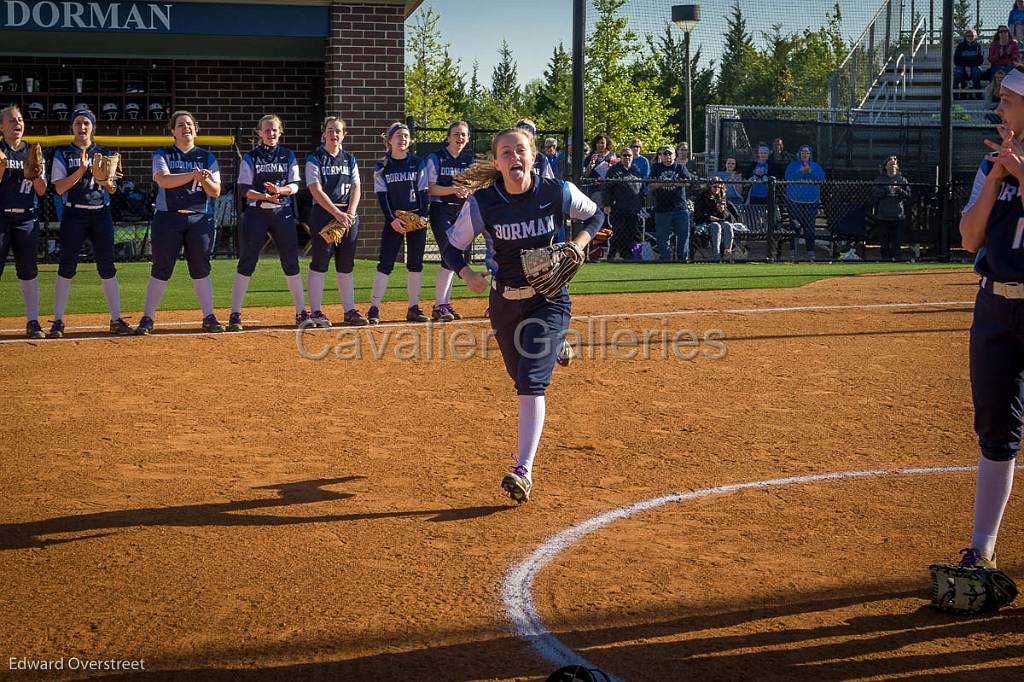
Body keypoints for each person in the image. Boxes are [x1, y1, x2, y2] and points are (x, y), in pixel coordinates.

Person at [441, 127, 603, 503]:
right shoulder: (485, 203)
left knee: (530, 383)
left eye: (521, 150)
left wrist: (576, 246)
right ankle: (556, 345)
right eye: (506, 152)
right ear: (497, 162)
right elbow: (452, 248)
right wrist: (466, 274)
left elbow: (595, 217)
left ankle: (523, 469)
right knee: (519, 376)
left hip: (549, 299)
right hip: (503, 301)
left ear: (533, 157)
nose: (514, 157)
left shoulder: (554, 191)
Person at [949, 64, 1024, 572]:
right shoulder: (989, 166)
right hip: (995, 307)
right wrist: (999, 174)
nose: (998, 109)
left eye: (1008, 102)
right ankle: (983, 548)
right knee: (996, 428)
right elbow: (969, 239)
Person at [135, 110, 223, 335]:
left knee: (201, 267)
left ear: (196, 129)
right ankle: (148, 317)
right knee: (162, 267)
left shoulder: (207, 157)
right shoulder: (163, 153)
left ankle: (208, 316)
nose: (186, 128)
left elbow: (215, 191)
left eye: (190, 124)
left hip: (199, 218)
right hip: (168, 217)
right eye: (181, 125)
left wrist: (203, 180)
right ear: (173, 131)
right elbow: (163, 180)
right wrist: (193, 176)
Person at [48, 108, 130, 337]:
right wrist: (81, 171)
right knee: (66, 267)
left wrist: (105, 180)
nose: (82, 128)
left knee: (107, 267)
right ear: (72, 127)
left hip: (100, 214)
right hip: (73, 214)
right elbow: (59, 188)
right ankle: (58, 321)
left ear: (93, 126)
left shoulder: (103, 152)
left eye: (86, 123)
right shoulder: (63, 153)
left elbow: (112, 190)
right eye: (78, 123)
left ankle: (116, 319)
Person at [229, 114, 306, 331]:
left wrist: (280, 191)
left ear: (280, 132)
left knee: (291, 261)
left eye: (274, 130)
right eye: (266, 130)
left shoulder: (288, 155)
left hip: (282, 213)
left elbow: (295, 185)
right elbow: (244, 189)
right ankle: (235, 313)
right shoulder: (251, 157)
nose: (271, 134)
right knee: (247, 262)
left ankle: (301, 311)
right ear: (259, 133)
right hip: (256, 214)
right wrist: (264, 196)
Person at [305, 115, 365, 328]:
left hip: (348, 216)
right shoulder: (315, 158)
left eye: (338, 131)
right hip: (324, 214)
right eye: (330, 130)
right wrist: (336, 214)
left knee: (346, 264)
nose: (334, 134)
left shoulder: (350, 159)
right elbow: (315, 189)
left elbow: (356, 187)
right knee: (320, 263)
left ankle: (349, 310)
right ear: (323, 134)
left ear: (343, 135)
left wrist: (350, 212)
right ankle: (316, 311)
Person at [369, 121, 430, 325]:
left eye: (405, 136)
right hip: (394, 220)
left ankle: (413, 307)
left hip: (415, 219)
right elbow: (382, 196)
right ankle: (374, 307)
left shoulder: (417, 163)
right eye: (398, 136)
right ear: (389, 140)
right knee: (385, 263)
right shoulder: (382, 166)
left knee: (415, 264)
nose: (402, 139)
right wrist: (391, 220)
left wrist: (423, 215)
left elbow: (423, 190)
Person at [0, 105, 47, 338]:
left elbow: (41, 191)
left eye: (20, 119)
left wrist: (36, 173)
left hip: (26, 217)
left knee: (28, 270)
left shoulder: (32, 151)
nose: (17, 123)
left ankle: (33, 321)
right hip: (0, 216)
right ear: (1, 127)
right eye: (11, 120)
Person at [426, 120, 474, 322]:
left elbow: (474, 186)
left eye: (463, 134)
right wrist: (454, 190)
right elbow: (430, 188)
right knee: (449, 251)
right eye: (456, 134)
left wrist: (468, 190)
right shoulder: (436, 158)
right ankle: (440, 304)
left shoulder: (468, 160)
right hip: (441, 210)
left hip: (462, 212)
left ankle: (442, 304)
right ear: (448, 137)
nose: (460, 138)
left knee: (453, 257)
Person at [648, 145, 691, 262]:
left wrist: (675, 183)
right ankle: (665, 259)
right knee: (662, 237)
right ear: (661, 156)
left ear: (675, 155)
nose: (668, 156)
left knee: (683, 235)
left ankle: (682, 259)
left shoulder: (680, 168)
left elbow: (688, 183)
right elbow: (650, 185)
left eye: (670, 153)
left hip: (680, 208)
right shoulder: (656, 168)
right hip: (662, 208)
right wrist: (662, 184)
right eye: (665, 154)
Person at [783, 144, 826, 260]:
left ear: (810, 155)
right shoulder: (793, 166)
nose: (805, 155)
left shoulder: (815, 166)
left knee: (809, 227)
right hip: (794, 200)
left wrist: (810, 171)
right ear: (799, 154)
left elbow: (821, 178)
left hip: (811, 201)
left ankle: (810, 251)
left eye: (807, 153)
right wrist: (801, 171)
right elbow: (788, 177)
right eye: (802, 153)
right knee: (794, 226)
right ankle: (792, 251)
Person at [603, 146, 644, 260]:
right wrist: (607, 204)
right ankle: (611, 255)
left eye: (629, 156)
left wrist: (641, 205)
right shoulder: (614, 170)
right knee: (618, 232)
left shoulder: (636, 170)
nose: (627, 158)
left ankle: (626, 255)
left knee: (631, 232)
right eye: (624, 155)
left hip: (633, 207)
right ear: (620, 157)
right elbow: (607, 188)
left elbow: (640, 189)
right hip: (618, 207)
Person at [693, 179, 744, 262]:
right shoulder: (702, 196)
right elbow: (697, 214)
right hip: (704, 222)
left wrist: (722, 211)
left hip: (719, 221)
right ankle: (716, 255)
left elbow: (725, 217)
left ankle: (728, 252)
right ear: (710, 186)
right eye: (715, 187)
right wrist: (709, 217)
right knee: (716, 226)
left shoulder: (721, 196)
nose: (717, 189)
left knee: (727, 225)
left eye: (719, 187)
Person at [872, 155, 911, 261]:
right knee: (884, 238)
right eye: (891, 164)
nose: (893, 166)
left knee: (896, 238)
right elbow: (875, 192)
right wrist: (886, 190)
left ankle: (896, 256)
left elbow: (908, 194)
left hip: (897, 214)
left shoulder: (901, 179)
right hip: (883, 214)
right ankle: (885, 257)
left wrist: (899, 190)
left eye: (895, 164)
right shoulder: (880, 179)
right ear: (886, 166)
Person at [955, 29, 985, 93]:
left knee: (976, 71)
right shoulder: (960, 46)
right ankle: (956, 95)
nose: (970, 37)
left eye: (972, 36)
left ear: (975, 37)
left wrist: (970, 66)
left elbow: (980, 60)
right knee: (958, 72)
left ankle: (977, 93)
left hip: (974, 67)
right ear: (965, 37)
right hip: (962, 67)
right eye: (968, 36)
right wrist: (965, 66)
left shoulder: (978, 46)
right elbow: (956, 60)